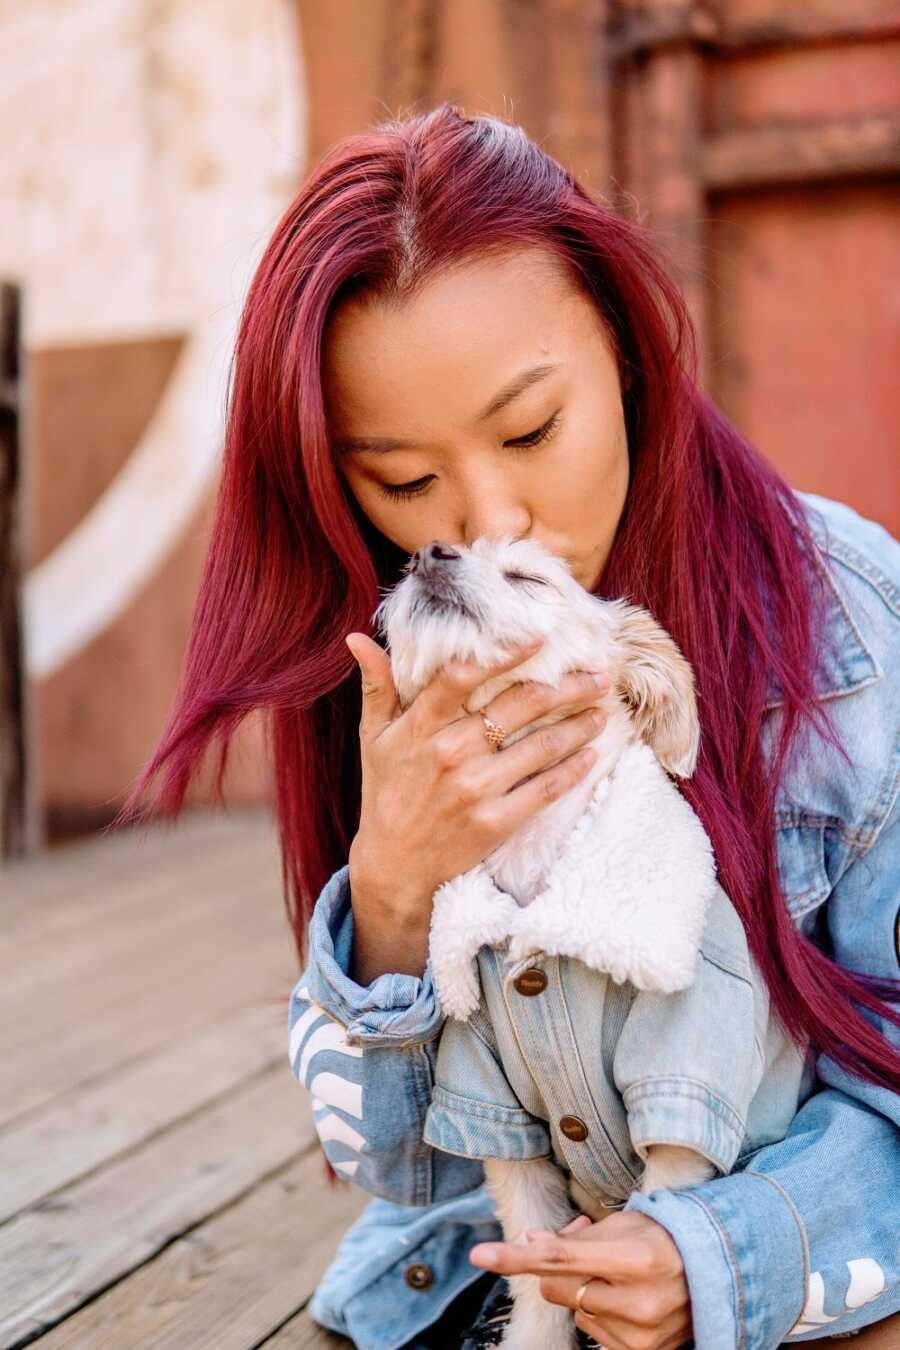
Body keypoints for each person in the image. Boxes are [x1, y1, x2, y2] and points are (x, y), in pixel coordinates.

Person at [118, 105, 900, 1350]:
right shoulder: (388, 638)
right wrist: (392, 891)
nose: (490, 523)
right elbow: (400, 1169)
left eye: (531, 429)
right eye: (407, 483)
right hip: (499, 1276)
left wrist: (715, 1250)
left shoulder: (849, 626)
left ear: (629, 354)